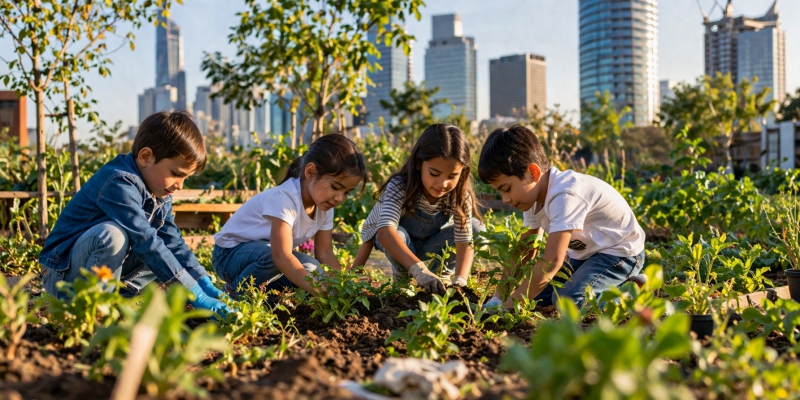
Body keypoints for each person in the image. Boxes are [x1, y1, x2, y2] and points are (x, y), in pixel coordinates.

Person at [39, 110, 229, 315]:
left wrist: (203, 282)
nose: (180, 186)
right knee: (113, 235)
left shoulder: (159, 192)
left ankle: (119, 299)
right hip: (63, 275)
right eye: (176, 174)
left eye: (186, 179)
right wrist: (195, 295)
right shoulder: (118, 181)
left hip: (105, 272)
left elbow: (173, 242)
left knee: (166, 253)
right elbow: (145, 239)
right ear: (146, 157)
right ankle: (96, 307)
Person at [478, 124, 646, 309]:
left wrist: (507, 308)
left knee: (567, 302)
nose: (505, 199)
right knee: (536, 297)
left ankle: (632, 292)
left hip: (619, 252)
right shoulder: (532, 198)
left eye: (507, 188)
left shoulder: (565, 194)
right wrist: (498, 298)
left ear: (532, 173)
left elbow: (551, 261)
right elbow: (525, 248)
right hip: (585, 254)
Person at [212, 134, 367, 296]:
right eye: (336, 187)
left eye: (347, 192)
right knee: (277, 258)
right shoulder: (285, 198)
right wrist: (322, 292)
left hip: (265, 259)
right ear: (311, 172)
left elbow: (325, 253)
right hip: (228, 256)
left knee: (315, 271)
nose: (340, 198)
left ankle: (262, 293)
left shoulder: (325, 206)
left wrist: (344, 286)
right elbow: (281, 256)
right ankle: (232, 293)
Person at [353, 124, 484, 294]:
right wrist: (352, 277)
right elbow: (383, 233)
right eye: (435, 174)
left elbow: (464, 241)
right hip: (401, 248)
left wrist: (460, 280)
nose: (442, 184)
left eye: (452, 176)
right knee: (396, 233)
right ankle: (403, 275)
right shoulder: (400, 187)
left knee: (477, 227)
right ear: (418, 163)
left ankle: (441, 277)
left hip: (431, 245)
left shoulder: (459, 195)